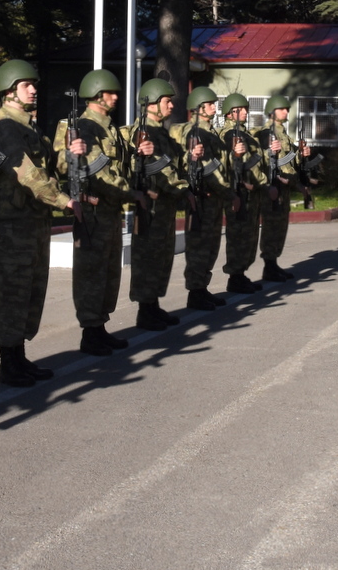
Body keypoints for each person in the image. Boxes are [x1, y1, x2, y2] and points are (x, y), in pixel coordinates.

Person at [0, 60, 82, 387]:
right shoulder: (5, 128)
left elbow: (50, 169)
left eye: (33, 84)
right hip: (14, 224)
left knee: (31, 291)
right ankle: (8, 364)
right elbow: (28, 174)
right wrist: (64, 201)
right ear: (9, 91)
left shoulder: (28, 126)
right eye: (27, 85)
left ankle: (19, 357)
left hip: (33, 221)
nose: (34, 89)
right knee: (13, 292)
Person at [55, 68, 153, 355]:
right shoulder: (80, 127)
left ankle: (99, 327)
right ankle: (90, 331)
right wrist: (130, 192)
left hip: (109, 211)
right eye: (111, 92)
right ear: (97, 94)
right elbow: (80, 168)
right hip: (92, 209)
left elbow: (117, 166)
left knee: (109, 273)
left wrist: (137, 153)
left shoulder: (110, 128)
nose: (116, 97)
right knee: (91, 274)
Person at [127, 78, 185, 331]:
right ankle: (145, 309)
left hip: (165, 207)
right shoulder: (139, 132)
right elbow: (129, 166)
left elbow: (174, 164)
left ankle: (153, 305)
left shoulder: (163, 133)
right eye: (166, 101)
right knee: (147, 258)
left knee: (162, 258)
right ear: (151, 103)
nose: (171, 105)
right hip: (150, 208)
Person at [172, 87, 231, 310]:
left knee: (211, 246)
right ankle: (195, 292)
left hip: (214, 199)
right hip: (202, 197)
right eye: (211, 104)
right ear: (199, 107)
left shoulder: (211, 132)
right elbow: (199, 166)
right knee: (198, 246)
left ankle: (202, 288)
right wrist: (228, 191)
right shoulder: (192, 132)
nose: (215, 107)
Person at [254, 94, 314, 283]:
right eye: (282, 109)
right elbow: (266, 161)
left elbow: (289, 163)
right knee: (272, 227)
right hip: (274, 186)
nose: (286, 111)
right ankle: (269, 266)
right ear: (272, 111)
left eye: (287, 109)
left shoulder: (284, 135)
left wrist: (301, 154)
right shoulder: (266, 133)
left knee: (280, 228)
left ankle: (273, 263)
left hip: (284, 188)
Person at [218, 93, 268, 294]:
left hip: (251, 192)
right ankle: (235, 276)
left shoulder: (245, 134)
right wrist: (263, 183)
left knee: (249, 235)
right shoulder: (230, 135)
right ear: (231, 113)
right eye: (242, 109)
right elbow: (243, 163)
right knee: (238, 235)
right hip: (240, 190)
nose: (246, 112)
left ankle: (241, 274)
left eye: (246, 108)